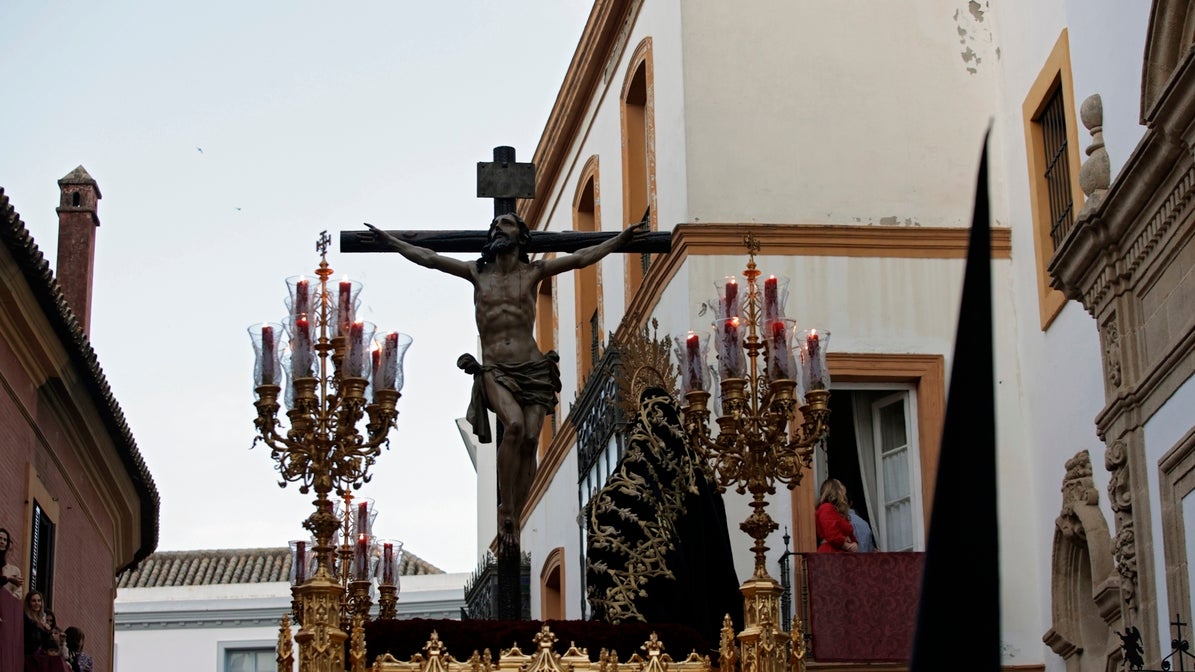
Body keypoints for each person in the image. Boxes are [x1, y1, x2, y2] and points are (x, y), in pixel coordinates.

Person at [364, 214, 643, 533]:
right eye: (494, 226)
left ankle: (517, 515)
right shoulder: (477, 272)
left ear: (522, 237)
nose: (498, 228)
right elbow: (429, 258)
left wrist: (619, 241)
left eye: (506, 224)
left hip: (533, 367)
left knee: (529, 438)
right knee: (513, 425)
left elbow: (581, 258)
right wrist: (391, 241)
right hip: (495, 368)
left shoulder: (534, 272)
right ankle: (506, 508)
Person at [816, 478, 858, 553]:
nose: (844, 492)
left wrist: (854, 543)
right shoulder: (826, 507)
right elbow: (832, 534)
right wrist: (847, 545)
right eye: (841, 487)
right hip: (831, 553)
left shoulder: (839, 512)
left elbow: (850, 534)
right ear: (835, 490)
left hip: (842, 553)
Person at [23, 590, 52, 655]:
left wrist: (47, 631)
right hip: (28, 655)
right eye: (34, 601)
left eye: (39, 601)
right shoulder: (26, 618)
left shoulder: (43, 618)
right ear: (28, 602)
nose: (37, 603)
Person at [0, 527, 23, 598]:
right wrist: (8, 579)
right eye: (0, 538)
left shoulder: (14, 571)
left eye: (5, 540)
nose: (2, 542)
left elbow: (18, 594)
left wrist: (7, 600)